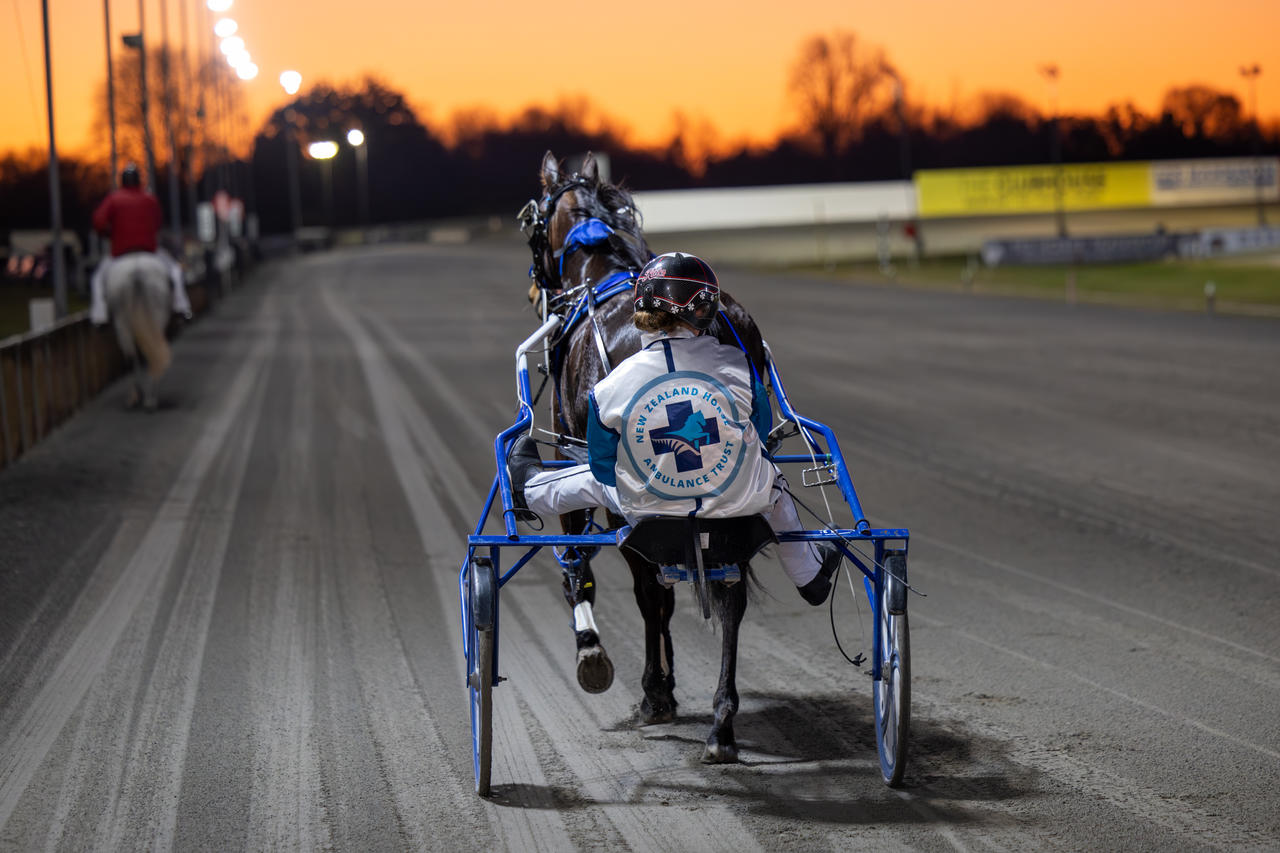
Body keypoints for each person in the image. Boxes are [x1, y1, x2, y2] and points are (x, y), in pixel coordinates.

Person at [508, 251, 842, 605]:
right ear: (702, 310)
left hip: (647, 515)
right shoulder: (739, 366)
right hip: (738, 509)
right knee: (774, 484)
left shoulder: (608, 390)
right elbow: (758, 436)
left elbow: (604, 468)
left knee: (592, 480)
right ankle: (809, 576)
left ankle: (528, 492)